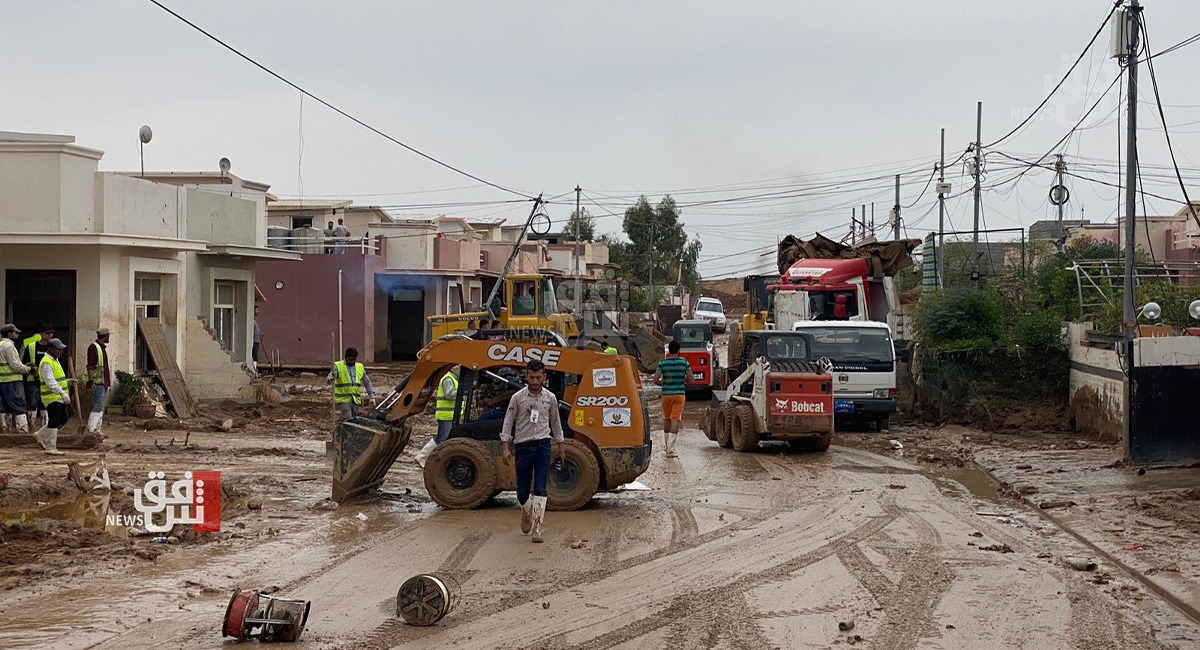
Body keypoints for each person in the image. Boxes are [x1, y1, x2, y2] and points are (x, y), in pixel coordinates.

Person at [500, 359, 564, 543]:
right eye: (531, 377)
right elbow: (508, 422)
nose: (535, 381)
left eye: (538, 377)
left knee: (541, 488)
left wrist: (560, 445)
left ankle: (537, 528)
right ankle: (527, 512)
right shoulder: (518, 398)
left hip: (543, 446)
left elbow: (555, 422)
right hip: (523, 446)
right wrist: (505, 447)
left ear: (544, 377)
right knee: (522, 492)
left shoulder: (550, 398)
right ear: (526, 376)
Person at [415, 366, 460, 467]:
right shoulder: (448, 379)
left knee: (445, 438)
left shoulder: (454, 379)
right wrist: (462, 392)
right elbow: (449, 395)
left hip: (450, 415)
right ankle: (422, 456)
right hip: (446, 415)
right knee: (441, 438)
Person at [33, 338, 72, 455]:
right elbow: (50, 381)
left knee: (62, 420)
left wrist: (67, 382)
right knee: (54, 421)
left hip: (57, 396)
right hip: (52, 397)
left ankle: (40, 434)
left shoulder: (55, 360)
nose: (61, 351)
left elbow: (57, 378)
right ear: (51, 349)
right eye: (59, 349)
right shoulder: (46, 362)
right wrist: (62, 393)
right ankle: (50, 447)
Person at [655, 340, 690, 459]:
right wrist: (682, 378)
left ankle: (666, 445)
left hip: (666, 394)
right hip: (679, 394)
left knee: (667, 418)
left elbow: (655, 380)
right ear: (679, 350)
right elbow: (691, 380)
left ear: (669, 351)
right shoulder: (684, 363)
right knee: (675, 419)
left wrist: (664, 384)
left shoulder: (662, 363)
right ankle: (670, 450)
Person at [327, 347, 375, 420]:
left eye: (354, 360)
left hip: (355, 399)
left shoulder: (360, 367)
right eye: (350, 359)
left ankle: (343, 429)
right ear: (346, 357)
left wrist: (372, 396)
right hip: (343, 399)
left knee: (354, 420)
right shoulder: (338, 366)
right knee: (348, 419)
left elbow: (367, 382)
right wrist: (331, 378)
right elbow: (329, 379)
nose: (352, 362)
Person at [0, 324, 32, 433]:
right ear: (9, 334)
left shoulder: (1, 345)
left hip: (2, 381)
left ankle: (5, 431)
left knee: (4, 406)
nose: (17, 334)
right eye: (15, 332)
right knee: (19, 405)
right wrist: (29, 369)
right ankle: (22, 431)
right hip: (12, 381)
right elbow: (15, 365)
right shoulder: (9, 346)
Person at [21, 324, 54, 428]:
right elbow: (24, 363)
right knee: (33, 403)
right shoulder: (31, 346)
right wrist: (32, 369)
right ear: (41, 334)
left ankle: (44, 427)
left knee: (45, 404)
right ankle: (32, 426)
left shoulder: (53, 348)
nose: (50, 335)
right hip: (33, 380)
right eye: (47, 333)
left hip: (47, 381)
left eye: (51, 333)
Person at [85, 327, 112, 434]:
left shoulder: (101, 348)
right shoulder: (94, 347)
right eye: (108, 335)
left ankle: (97, 430)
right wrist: (91, 382)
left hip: (103, 382)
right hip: (98, 383)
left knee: (100, 407)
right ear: (105, 336)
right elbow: (90, 366)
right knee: (98, 406)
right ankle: (92, 430)